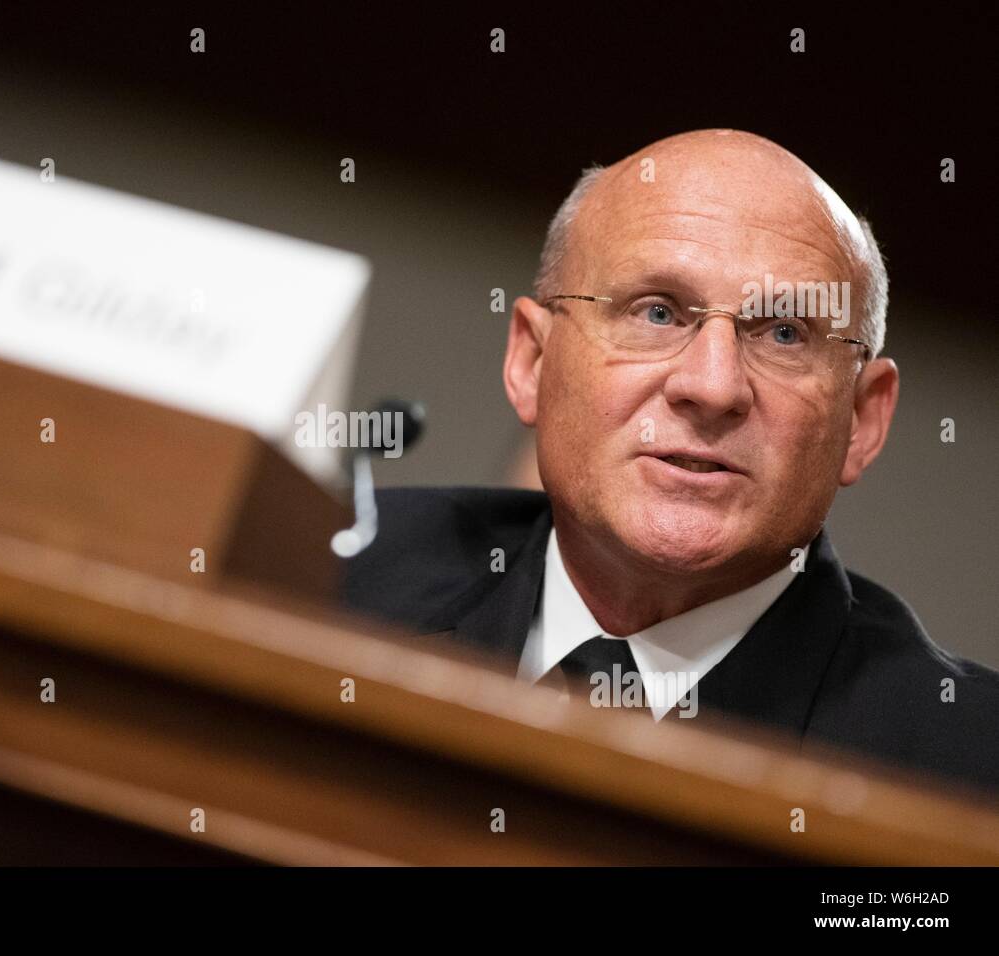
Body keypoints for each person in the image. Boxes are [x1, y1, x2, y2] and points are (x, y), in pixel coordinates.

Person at [341, 130, 999, 798]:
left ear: (862, 420)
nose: (712, 388)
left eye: (783, 333)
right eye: (656, 312)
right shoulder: (321, 580)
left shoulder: (967, 770)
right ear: (532, 364)